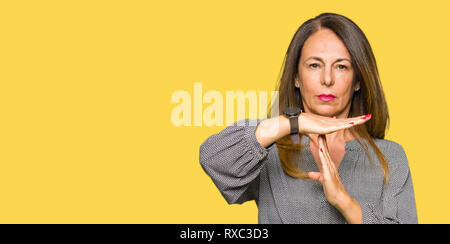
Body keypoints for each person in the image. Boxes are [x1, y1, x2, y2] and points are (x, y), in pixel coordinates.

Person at [199, 12, 417, 224]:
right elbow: (213, 159)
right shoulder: (270, 152)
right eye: (314, 65)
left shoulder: (390, 156)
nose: (327, 79)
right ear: (296, 77)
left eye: (341, 66)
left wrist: (344, 202)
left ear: (358, 80)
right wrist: (293, 122)